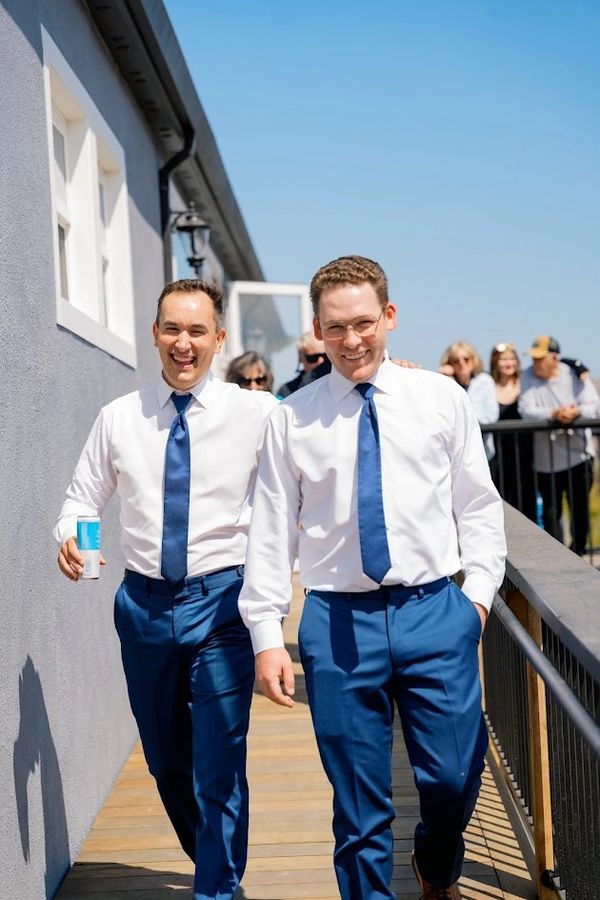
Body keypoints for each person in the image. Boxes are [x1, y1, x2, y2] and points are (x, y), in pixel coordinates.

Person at [238, 255, 506, 900]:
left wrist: (476, 599)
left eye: (363, 323)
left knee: (451, 778)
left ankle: (437, 864)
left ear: (389, 317)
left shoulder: (440, 399)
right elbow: (271, 530)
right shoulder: (290, 418)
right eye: (336, 328)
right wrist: (266, 633)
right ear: (317, 329)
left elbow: (477, 504)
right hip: (337, 622)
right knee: (359, 808)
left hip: (435, 610)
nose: (352, 340)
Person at [55, 279, 278, 900]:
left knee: (218, 763)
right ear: (154, 333)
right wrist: (71, 538)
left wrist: (395, 382)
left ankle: (217, 889)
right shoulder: (119, 419)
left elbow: (324, 436)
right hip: (144, 607)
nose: (185, 344)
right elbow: (81, 499)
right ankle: (215, 861)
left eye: (198, 331)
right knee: (166, 761)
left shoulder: (257, 413)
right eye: (172, 330)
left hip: (223, 604)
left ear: (219, 338)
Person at [518, 335, 599, 556]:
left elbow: (593, 405)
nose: (535, 363)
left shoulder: (573, 373)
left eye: (540, 358)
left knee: (580, 514)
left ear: (554, 358)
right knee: (552, 516)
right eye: (533, 358)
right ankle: (558, 559)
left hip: (579, 458)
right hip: (547, 462)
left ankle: (580, 556)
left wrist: (576, 413)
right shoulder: (526, 376)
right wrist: (553, 415)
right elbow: (526, 410)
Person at [489, 342, 536, 521]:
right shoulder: (488, 386)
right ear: (495, 362)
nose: (508, 363)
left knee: (526, 500)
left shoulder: (526, 383)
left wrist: (579, 367)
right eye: (503, 359)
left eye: (511, 359)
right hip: (498, 455)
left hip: (525, 454)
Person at [439, 340, 499, 460]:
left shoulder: (485, 381)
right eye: (456, 361)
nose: (461, 363)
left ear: (473, 360)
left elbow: (491, 416)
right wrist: (444, 379)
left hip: (482, 452)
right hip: (454, 453)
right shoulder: (446, 383)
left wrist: (465, 419)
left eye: (466, 359)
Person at [276, 331, 330, 398]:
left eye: (325, 356)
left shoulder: (341, 380)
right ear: (300, 358)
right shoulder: (287, 390)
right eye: (313, 358)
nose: (320, 361)